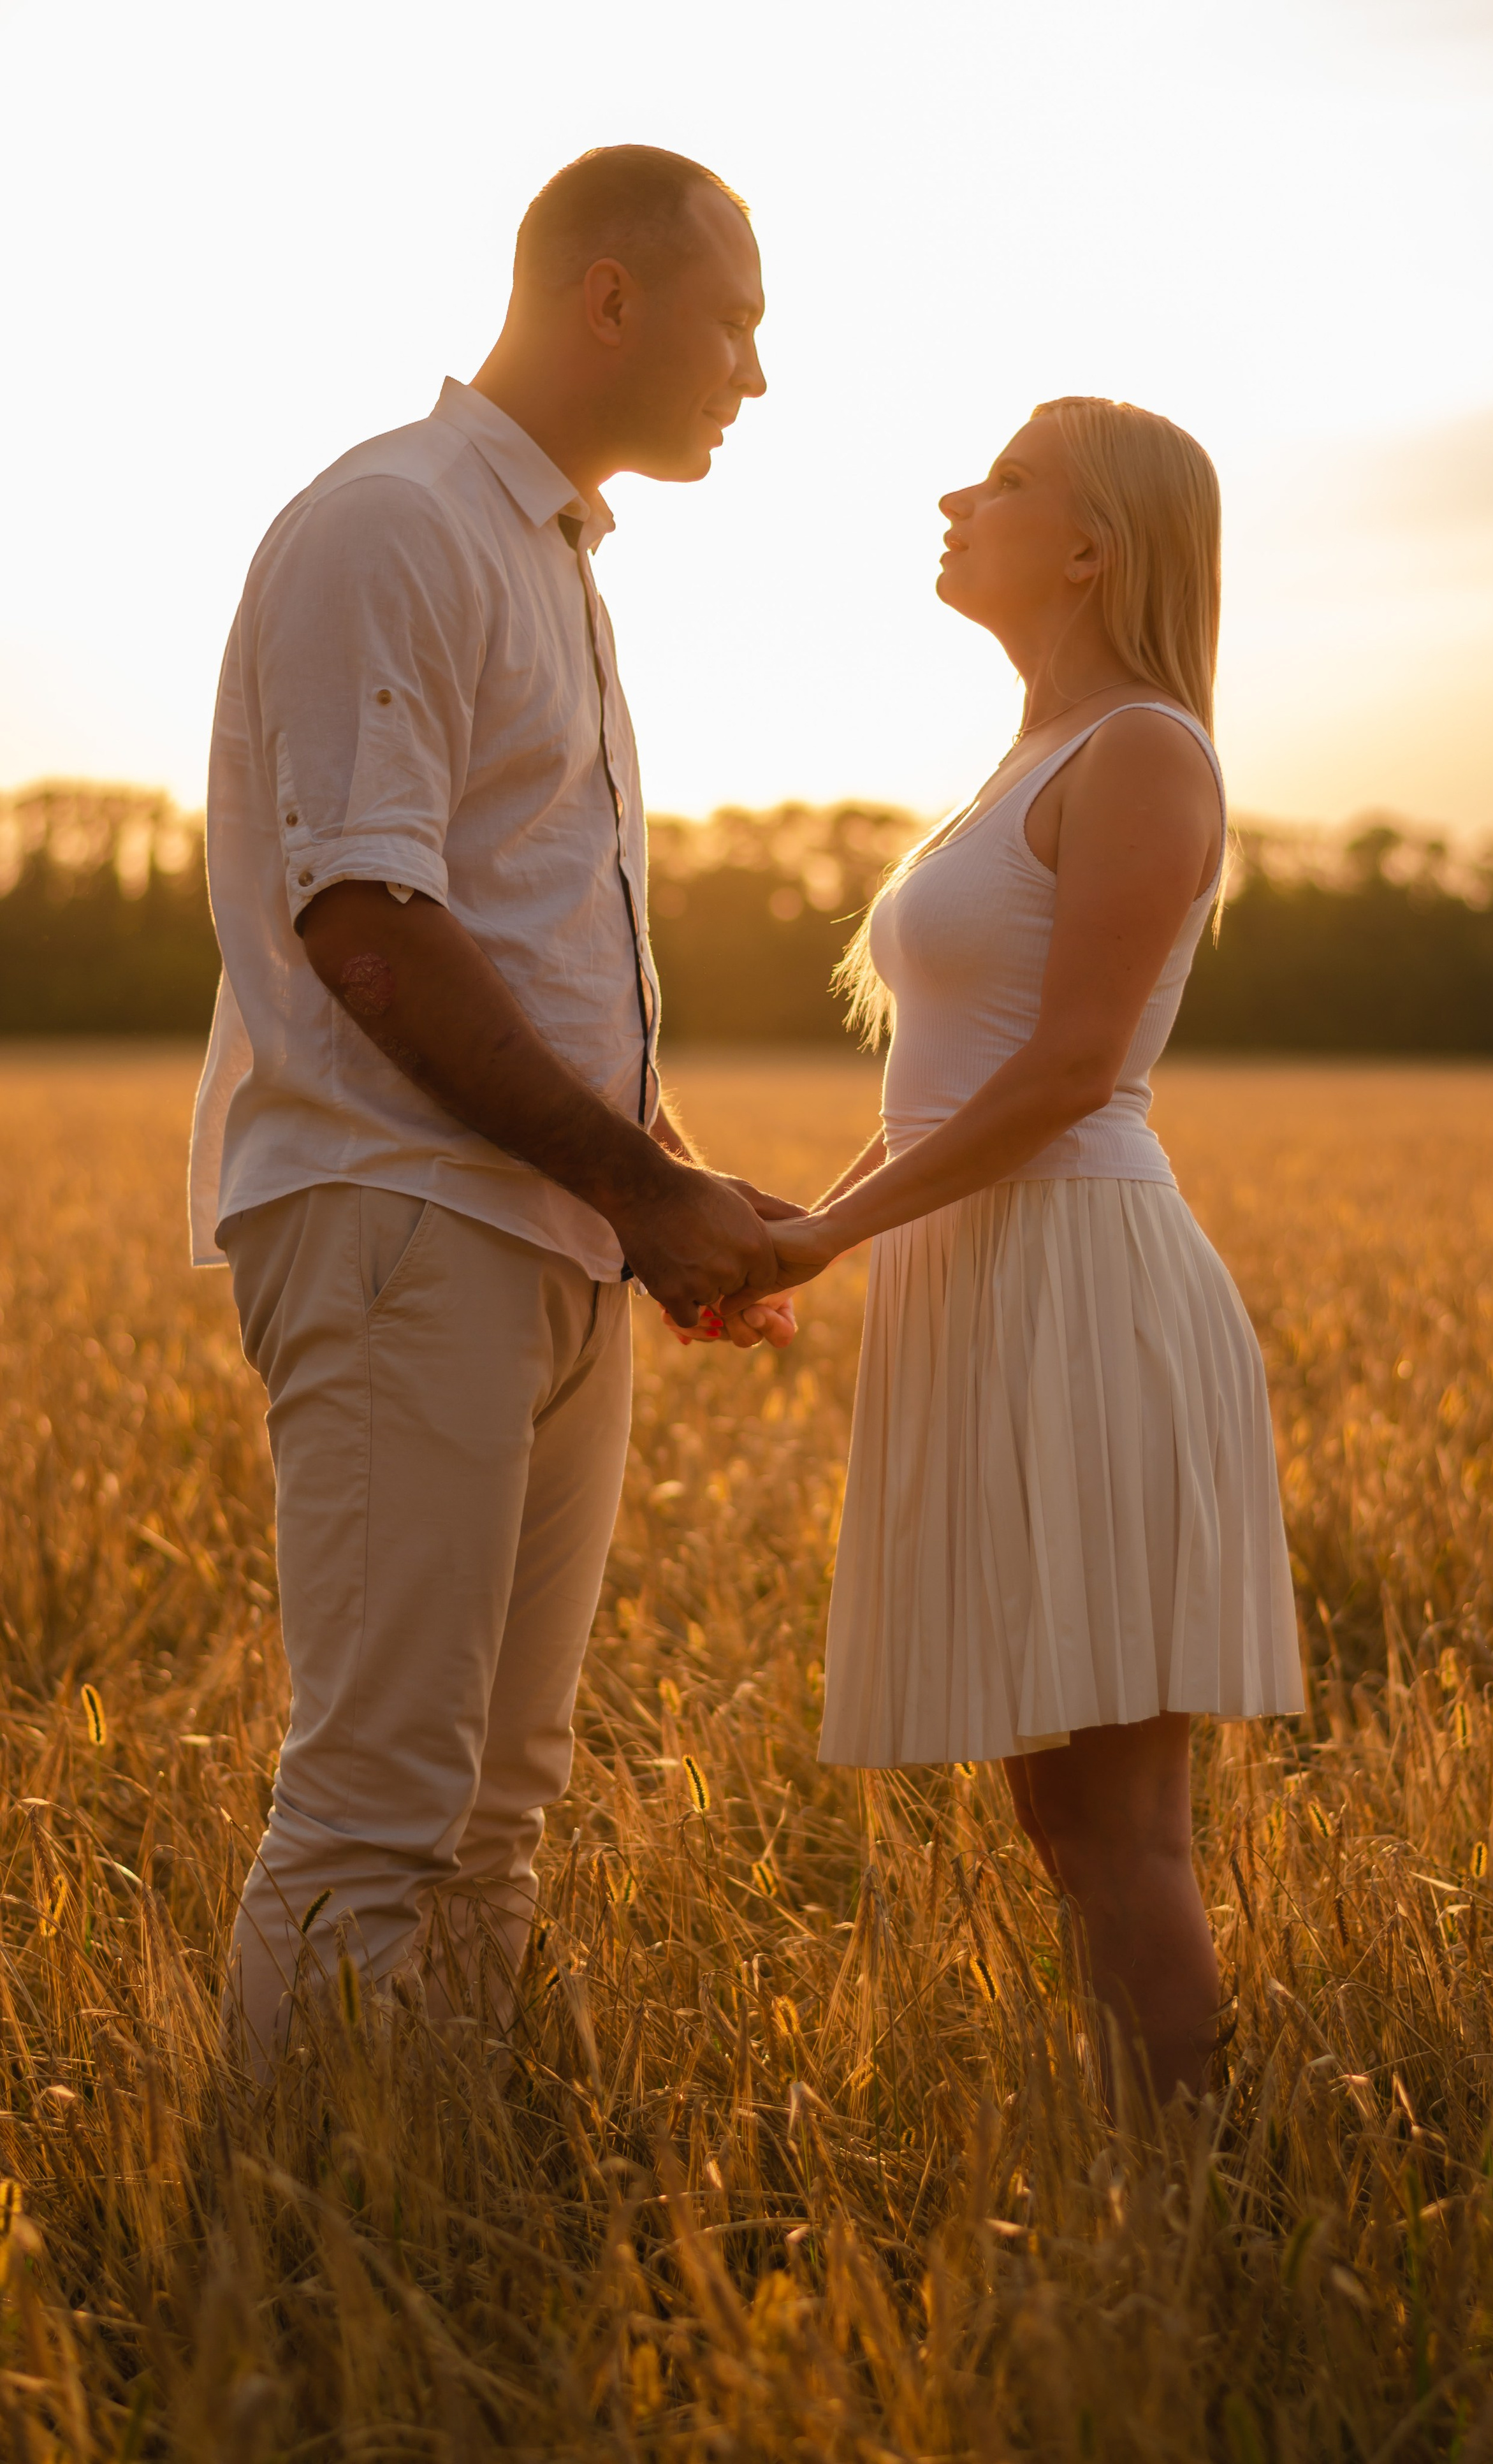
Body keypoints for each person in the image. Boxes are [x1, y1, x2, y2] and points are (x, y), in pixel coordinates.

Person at [188, 145, 792, 2066]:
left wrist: (666, 1192)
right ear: (606, 296)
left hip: (536, 1231)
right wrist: (643, 1186)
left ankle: (427, 2243)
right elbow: (370, 922)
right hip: (397, 1218)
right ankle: (293, 2283)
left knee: (494, 1813)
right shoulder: (399, 522)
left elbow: (533, 942)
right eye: (738, 320)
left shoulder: (548, 555)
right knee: (379, 1807)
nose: (755, 374)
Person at [761, 398, 1304, 2101]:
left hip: (1085, 1285)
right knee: (1056, 1798)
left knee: (1120, 1812)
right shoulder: (1030, 759)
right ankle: (1159, 2166)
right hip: (995, 1281)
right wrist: (800, 1232)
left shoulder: (1144, 750)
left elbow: (1072, 1070)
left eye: (1001, 480)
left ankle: (1206, 2194)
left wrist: (830, 1233)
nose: (954, 497)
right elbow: (951, 1085)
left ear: (1091, 548)